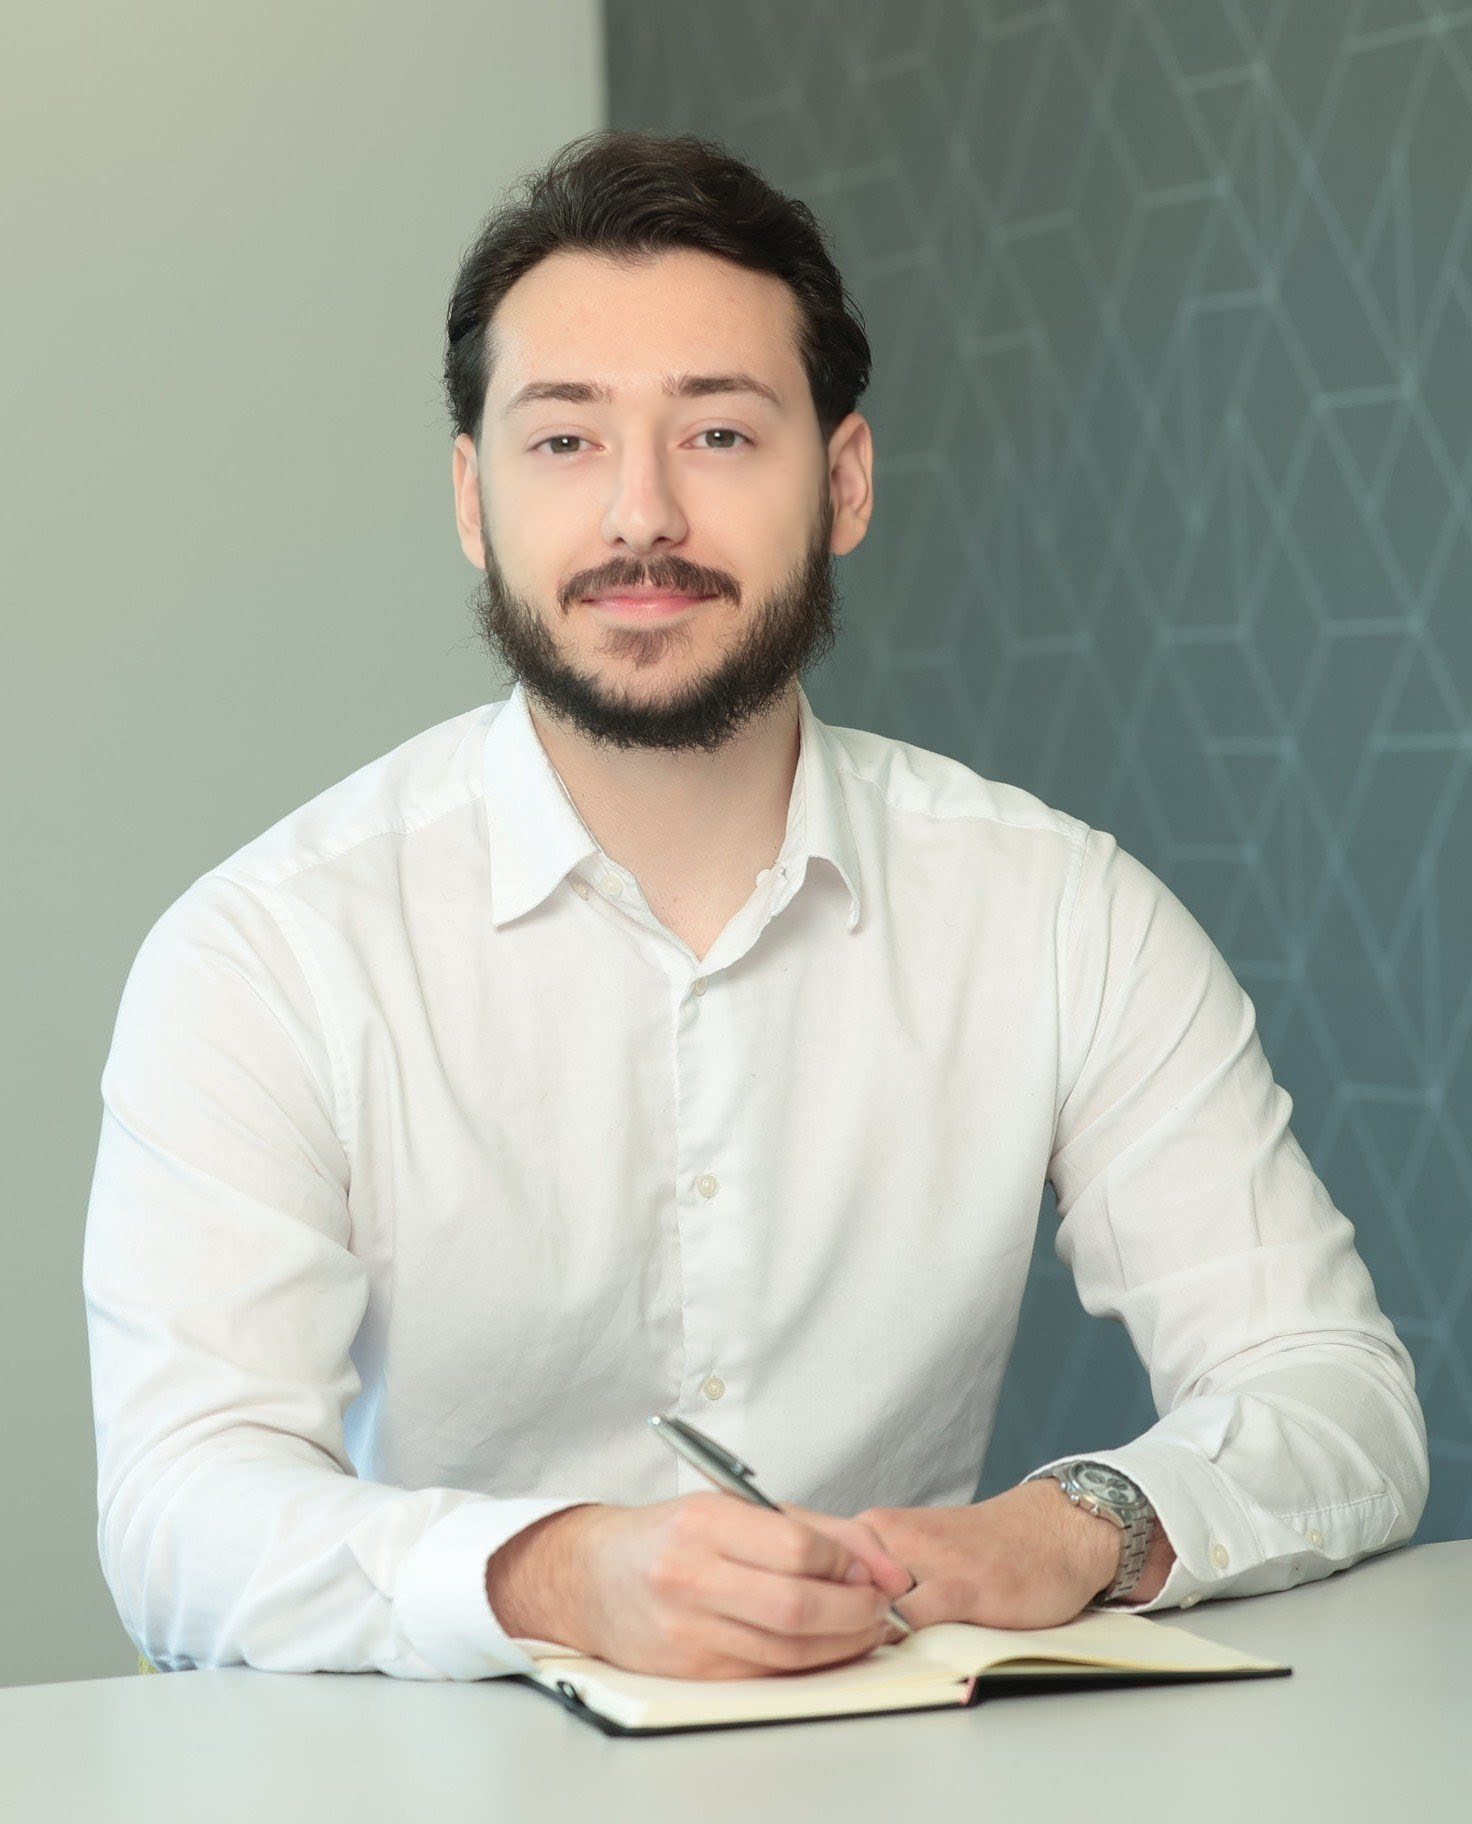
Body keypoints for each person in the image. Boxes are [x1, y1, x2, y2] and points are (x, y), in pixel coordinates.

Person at [83, 128, 1429, 1686]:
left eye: (718, 436)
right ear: (473, 499)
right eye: (564, 442)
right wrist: (553, 1573)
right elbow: (179, 1512)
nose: (639, 516)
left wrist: (1087, 1522)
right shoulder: (265, 954)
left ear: (841, 482)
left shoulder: (1060, 912)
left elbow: (1338, 1393)